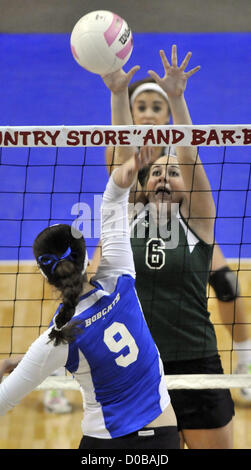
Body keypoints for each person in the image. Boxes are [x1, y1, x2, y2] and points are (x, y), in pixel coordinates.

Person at [98, 45, 235, 449]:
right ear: (141, 181)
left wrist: (177, 97)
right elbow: (126, 153)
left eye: (172, 173)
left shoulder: (198, 222)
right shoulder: (127, 216)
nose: (163, 177)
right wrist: (117, 94)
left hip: (197, 364)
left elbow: (190, 156)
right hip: (137, 366)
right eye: (156, 171)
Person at [0, 146, 180, 450]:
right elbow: (113, 197)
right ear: (86, 261)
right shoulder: (119, 279)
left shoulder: (57, 341)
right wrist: (135, 163)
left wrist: (27, 362)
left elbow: (5, 400)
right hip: (164, 438)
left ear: (45, 277)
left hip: (107, 445)